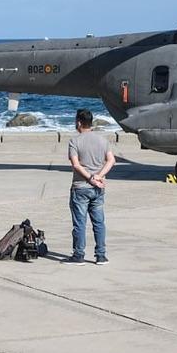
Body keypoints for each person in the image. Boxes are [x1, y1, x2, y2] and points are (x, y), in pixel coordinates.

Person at [65, 109, 113, 263]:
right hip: (98, 187)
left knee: (80, 223)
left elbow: (76, 164)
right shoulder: (102, 140)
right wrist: (99, 176)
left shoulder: (74, 141)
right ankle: (101, 255)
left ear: (79, 122)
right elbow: (111, 160)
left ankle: (79, 255)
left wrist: (90, 177)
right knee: (99, 223)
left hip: (81, 186)